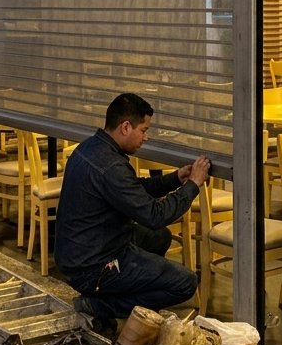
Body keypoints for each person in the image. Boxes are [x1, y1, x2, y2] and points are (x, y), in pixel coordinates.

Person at [55, 92, 211, 330]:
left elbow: (133, 189)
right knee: (185, 283)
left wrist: (176, 179)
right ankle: (100, 305)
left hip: (81, 251)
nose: (146, 137)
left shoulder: (91, 148)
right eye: (144, 130)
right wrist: (193, 185)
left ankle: (127, 297)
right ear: (126, 127)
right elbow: (155, 216)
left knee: (159, 237)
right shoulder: (111, 165)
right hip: (93, 267)